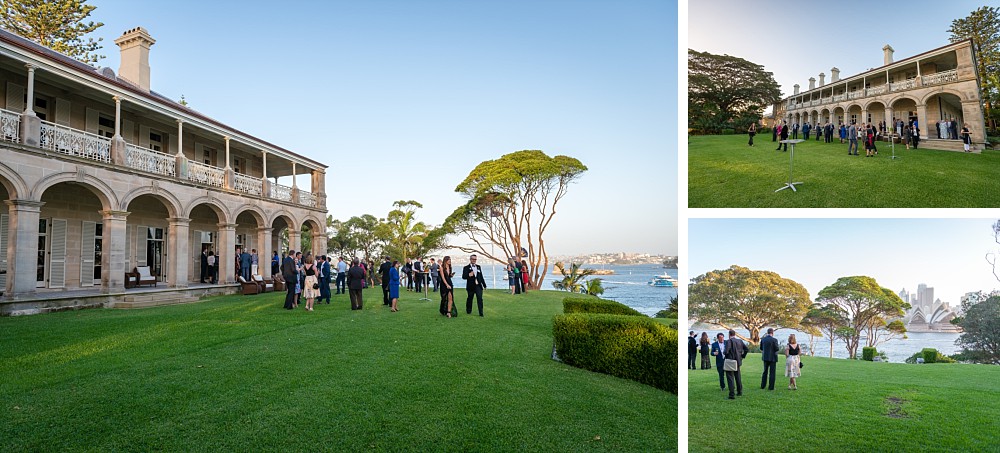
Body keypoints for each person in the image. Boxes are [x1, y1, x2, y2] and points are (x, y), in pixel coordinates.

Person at [723, 330, 748, 400]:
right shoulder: (740, 341)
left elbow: (726, 351)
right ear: (735, 334)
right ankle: (739, 391)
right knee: (738, 376)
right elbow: (746, 349)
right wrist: (742, 356)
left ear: (729, 334)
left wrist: (724, 352)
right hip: (738, 361)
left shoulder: (729, 341)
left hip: (731, 361)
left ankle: (731, 394)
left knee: (730, 377)